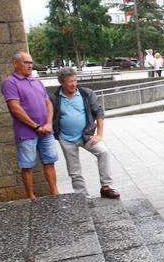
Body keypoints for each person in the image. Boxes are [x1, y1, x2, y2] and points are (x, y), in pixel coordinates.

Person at [49, 68, 119, 199]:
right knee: (74, 170)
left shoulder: (86, 94)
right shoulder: (54, 98)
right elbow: (49, 116)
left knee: (103, 152)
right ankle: (82, 196)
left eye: (75, 80)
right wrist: (55, 133)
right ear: (61, 83)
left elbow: (98, 112)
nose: (74, 84)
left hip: (86, 135)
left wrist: (99, 134)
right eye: (70, 82)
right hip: (66, 139)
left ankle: (106, 187)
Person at [1, 51, 59, 199]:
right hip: (26, 133)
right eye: (26, 62)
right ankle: (31, 197)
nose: (30, 65)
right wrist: (35, 126)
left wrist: (48, 123)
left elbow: (48, 103)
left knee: (50, 162)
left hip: (46, 131)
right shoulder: (10, 82)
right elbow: (15, 108)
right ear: (15, 64)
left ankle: (55, 193)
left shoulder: (36, 81)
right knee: (27, 166)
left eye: (31, 62)